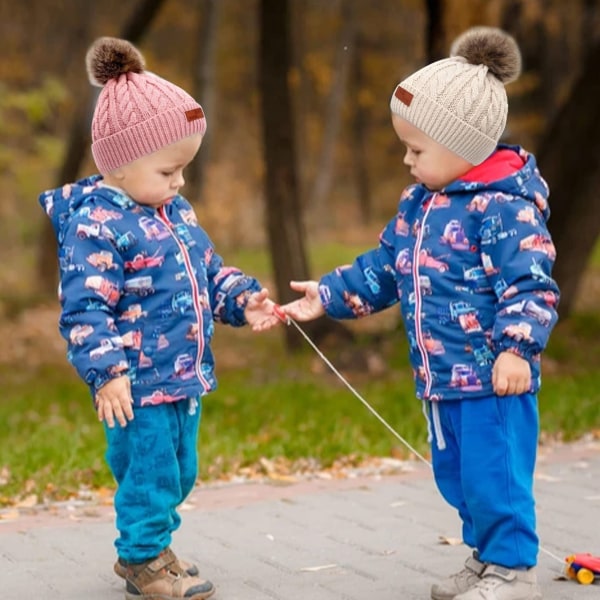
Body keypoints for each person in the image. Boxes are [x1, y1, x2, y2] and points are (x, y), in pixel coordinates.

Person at [280, 27, 559, 600]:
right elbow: (385, 267)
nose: (406, 160)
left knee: (495, 476)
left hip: (491, 380)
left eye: (416, 149)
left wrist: (517, 348)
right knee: (456, 477)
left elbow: (530, 284)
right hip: (440, 378)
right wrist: (327, 296)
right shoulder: (421, 204)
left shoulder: (503, 207)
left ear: (465, 146)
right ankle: (485, 559)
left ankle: (515, 570)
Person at [39, 37, 280, 600]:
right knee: (147, 474)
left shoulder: (174, 212)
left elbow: (207, 272)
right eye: (170, 170)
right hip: (136, 384)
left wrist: (242, 297)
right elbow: (85, 308)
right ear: (120, 165)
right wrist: (108, 373)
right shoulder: (95, 225)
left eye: (184, 171)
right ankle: (142, 560)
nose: (180, 183)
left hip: (181, 375)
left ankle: (157, 546)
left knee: (178, 470)